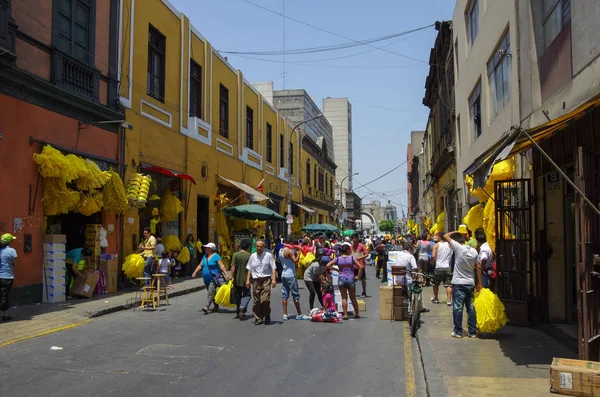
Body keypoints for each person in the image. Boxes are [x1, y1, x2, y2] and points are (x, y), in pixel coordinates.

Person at [443, 231, 481, 339]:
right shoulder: (474, 251)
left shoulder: (459, 248)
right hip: (470, 283)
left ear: (455, 242)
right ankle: (472, 331)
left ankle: (458, 331)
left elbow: (446, 236)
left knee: (458, 308)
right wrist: (479, 282)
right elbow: (477, 267)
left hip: (459, 283)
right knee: (471, 308)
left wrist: (456, 231)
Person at [191, 242, 230, 314]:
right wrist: (195, 272)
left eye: (207, 248)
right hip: (206, 279)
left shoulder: (216, 256)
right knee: (212, 293)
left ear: (210, 249)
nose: (205, 249)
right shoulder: (205, 256)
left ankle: (207, 307)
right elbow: (200, 265)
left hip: (214, 278)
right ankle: (216, 306)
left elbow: (221, 266)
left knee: (210, 292)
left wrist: (226, 274)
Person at [327, 242, 362, 320]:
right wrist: (358, 277)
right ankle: (357, 313)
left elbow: (328, 265)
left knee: (344, 298)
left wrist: (336, 269)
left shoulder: (338, 259)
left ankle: (345, 314)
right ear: (347, 251)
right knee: (353, 298)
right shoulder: (352, 258)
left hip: (341, 279)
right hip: (351, 279)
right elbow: (360, 267)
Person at [245, 240, 277, 325]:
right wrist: (248, 280)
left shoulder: (268, 255)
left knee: (265, 300)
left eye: (261, 246)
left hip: (266, 279)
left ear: (264, 247)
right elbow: (249, 269)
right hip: (255, 280)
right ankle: (258, 318)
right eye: (257, 246)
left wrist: (273, 279)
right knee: (256, 301)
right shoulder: (252, 256)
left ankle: (266, 315)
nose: (259, 248)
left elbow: (273, 268)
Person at [279, 239, 311, 321]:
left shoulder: (281, 250)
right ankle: (299, 313)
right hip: (290, 275)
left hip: (284, 274)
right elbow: (295, 261)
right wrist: (299, 252)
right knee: (295, 294)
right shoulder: (288, 251)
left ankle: (285, 314)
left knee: (285, 294)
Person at [230, 239, 252, 320]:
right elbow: (251, 269)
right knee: (247, 295)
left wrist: (232, 277)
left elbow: (233, 267)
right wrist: (249, 279)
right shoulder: (249, 256)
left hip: (237, 279)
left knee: (238, 295)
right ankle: (242, 308)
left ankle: (238, 312)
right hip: (246, 279)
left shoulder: (235, 255)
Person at [431, 232, 453, 306]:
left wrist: (431, 262)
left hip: (438, 267)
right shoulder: (449, 245)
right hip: (447, 267)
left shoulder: (436, 245)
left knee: (435, 284)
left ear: (440, 237)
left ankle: (436, 298)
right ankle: (449, 300)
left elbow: (433, 256)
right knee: (448, 284)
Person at [0, 234, 17, 321]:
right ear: (10, 242)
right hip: (6, 277)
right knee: (4, 296)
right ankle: (5, 315)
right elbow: (14, 263)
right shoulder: (11, 251)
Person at [351, 233, 369, 297]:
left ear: (357, 239)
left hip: (361, 265)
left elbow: (367, 254)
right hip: (353, 266)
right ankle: (352, 292)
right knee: (352, 279)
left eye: (355, 238)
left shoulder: (361, 246)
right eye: (353, 238)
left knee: (362, 279)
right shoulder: (351, 246)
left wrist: (360, 257)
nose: (354, 240)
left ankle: (364, 292)